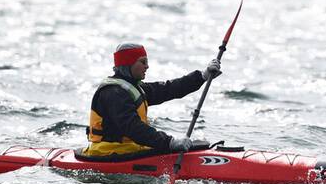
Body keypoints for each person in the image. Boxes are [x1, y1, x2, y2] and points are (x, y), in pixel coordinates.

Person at [80, 41, 222, 159]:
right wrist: (170, 143)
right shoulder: (113, 93)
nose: (147, 66)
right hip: (109, 152)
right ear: (129, 64)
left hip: (129, 149)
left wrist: (203, 76)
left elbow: (169, 89)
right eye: (143, 62)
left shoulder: (133, 87)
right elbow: (134, 128)